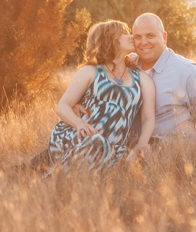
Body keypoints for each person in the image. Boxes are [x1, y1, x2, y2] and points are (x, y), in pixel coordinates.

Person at [34, 20, 156, 174]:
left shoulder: (143, 80)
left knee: (121, 160)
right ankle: (51, 180)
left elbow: (148, 118)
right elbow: (63, 106)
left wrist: (142, 143)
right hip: (77, 137)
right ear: (110, 40)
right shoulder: (91, 72)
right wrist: (79, 124)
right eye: (124, 34)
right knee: (93, 142)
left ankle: (53, 176)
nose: (131, 36)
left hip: (112, 147)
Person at [130, 12, 196, 143]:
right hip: (128, 155)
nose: (143, 42)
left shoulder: (189, 72)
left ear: (164, 37)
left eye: (150, 36)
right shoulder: (125, 67)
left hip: (173, 155)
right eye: (137, 37)